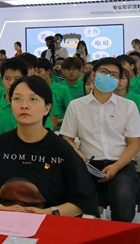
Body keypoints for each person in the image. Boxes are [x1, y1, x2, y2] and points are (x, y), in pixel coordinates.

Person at [0, 76, 99, 217]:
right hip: (2, 220)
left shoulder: (62, 150)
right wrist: (2, 210)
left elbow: (83, 200)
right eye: (17, 99)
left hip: (49, 221)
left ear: (47, 108)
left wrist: (47, 212)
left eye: (33, 99)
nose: (24, 105)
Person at [60, 58, 140, 222]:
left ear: (118, 81)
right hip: (88, 164)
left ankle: (118, 235)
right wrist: (79, 155)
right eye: (104, 72)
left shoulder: (128, 106)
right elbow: (67, 138)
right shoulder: (76, 106)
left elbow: (134, 143)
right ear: (93, 75)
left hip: (121, 163)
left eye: (114, 75)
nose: (108, 77)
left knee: (124, 206)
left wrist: (116, 166)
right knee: (85, 208)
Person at [36, 58, 73, 130]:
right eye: (35, 72)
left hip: (59, 130)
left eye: (39, 71)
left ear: (48, 71)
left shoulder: (62, 89)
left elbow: (72, 112)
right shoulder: (31, 91)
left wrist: (57, 121)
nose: (36, 75)